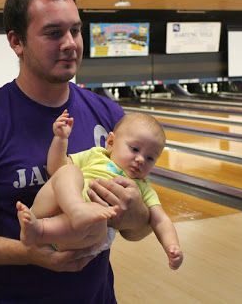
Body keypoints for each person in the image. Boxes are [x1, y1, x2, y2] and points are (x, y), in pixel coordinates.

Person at [0, 0, 152, 303]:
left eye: (75, 30)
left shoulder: (110, 114)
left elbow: (140, 227)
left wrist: (135, 216)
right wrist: (27, 252)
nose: (71, 42)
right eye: (53, 33)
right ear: (17, 42)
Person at [17, 111, 184, 270]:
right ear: (110, 143)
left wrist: (172, 245)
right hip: (47, 210)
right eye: (134, 149)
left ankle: (41, 231)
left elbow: (161, 220)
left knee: (99, 218)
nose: (140, 159)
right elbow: (56, 169)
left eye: (150, 158)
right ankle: (73, 210)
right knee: (68, 171)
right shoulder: (96, 154)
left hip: (79, 237)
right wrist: (60, 139)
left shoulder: (143, 188)